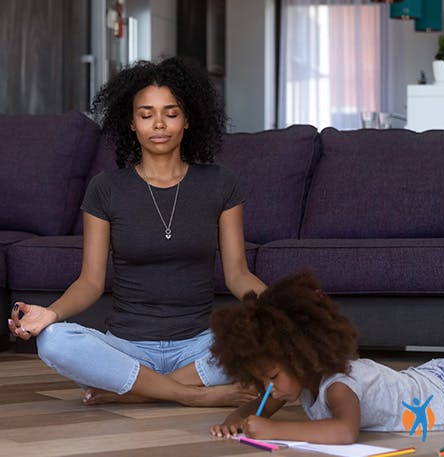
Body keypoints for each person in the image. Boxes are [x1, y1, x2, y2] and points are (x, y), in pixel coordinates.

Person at [7, 56, 266, 407]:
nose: (159, 124)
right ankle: (193, 396)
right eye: (146, 115)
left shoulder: (221, 183)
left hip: (201, 347)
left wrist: (284, 308)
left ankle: (137, 391)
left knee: (271, 333)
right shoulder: (106, 188)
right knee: (54, 340)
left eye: (171, 113)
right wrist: (50, 314)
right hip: (125, 348)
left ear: (188, 119)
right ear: (130, 123)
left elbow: (238, 274)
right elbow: (90, 282)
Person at [209, 270, 444, 444]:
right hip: (428, 377)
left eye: (272, 376)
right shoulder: (297, 382)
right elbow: (258, 408)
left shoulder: (339, 386)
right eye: (262, 381)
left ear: (299, 357)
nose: (268, 389)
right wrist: (234, 421)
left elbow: (345, 432)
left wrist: (274, 430)